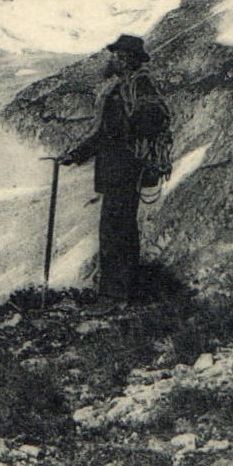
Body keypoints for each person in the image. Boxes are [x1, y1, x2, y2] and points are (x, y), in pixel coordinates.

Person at [59, 34, 170, 312]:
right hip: (118, 171)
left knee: (115, 233)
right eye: (115, 55)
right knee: (119, 231)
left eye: (119, 55)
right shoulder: (123, 88)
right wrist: (77, 154)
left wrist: (127, 134)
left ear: (129, 59)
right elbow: (103, 134)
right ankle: (123, 293)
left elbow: (153, 119)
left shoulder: (139, 85)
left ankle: (113, 297)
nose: (114, 59)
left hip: (126, 169)